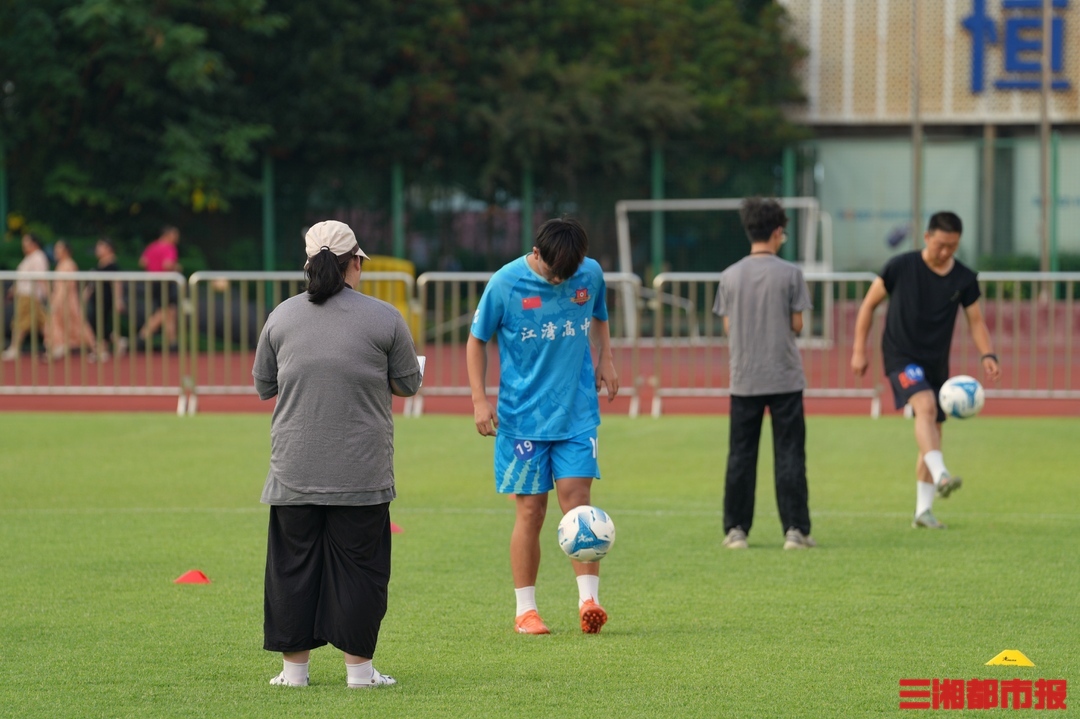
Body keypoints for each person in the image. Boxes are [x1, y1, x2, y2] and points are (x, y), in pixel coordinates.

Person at [252, 220, 421, 689]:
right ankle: (360, 673)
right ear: (356, 263)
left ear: (307, 263)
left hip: (293, 469)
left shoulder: (281, 316)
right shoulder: (384, 317)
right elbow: (408, 382)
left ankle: (294, 674)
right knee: (361, 571)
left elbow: (264, 385)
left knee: (292, 570)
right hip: (361, 470)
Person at [467, 217, 619, 635]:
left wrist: (605, 358)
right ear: (536, 255)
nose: (562, 281)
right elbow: (476, 340)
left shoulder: (589, 272)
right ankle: (526, 611)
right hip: (522, 420)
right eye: (555, 274)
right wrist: (480, 400)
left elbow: (600, 314)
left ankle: (589, 601)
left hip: (576, 412)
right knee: (531, 511)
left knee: (579, 503)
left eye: (568, 274)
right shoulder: (505, 283)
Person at [851, 211, 1001, 530]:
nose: (946, 252)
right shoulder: (899, 266)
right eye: (941, 245)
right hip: (900, 355)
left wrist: (987, 353)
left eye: (953, 246)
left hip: (935, 363)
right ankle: (943, 473)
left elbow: (976, 322)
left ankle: (923, 511)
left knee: (933, 429)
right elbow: (868, 305)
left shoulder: (964, 278)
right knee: (925, 406)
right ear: (927, 238)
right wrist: (859, 350)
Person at [713, 198, 816, 551]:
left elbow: (728, 326)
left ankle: (736, 529)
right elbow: (798, 323)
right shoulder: (790, 273)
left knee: (740, 455)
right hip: (784, 376)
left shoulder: (729, 274)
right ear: (776, 232)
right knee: (789, 453)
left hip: (744, 376)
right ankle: (795, 530)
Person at [44, 240, 108, 360]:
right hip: (60, 300)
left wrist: (58, 302)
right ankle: (57, 347)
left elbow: (66, 286)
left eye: (59, 249)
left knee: (78, 326)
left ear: (66, 251)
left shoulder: (68, 264)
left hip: (67, 301)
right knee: (56, 324)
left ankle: (97, 349)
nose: (56, 252)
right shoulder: (61, 264)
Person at [3, 233, 50, 360]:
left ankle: (14, 348)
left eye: (26, 242)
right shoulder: (30, 257)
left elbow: (41, 278)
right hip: (26, 294)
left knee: (20, 322)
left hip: (30, 295)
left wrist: (47, 294)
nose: (23, 245)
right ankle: (51, 346)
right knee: (43, 323)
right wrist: (13, 290)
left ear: (34, 243)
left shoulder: (38, 257)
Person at [138, 226, 181, 348]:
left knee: (170, 311)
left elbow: (143, 262)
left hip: (153, 281)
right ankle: (143, 335)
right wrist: (177, 268)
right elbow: (167, 264)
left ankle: (172, 341)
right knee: (166, 310)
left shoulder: (152, 246)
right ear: (168, 235)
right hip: (165, 282)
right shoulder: (169, 248)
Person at [85, 237, 127, 354]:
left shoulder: (112, 264)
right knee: (97, 322)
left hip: (105, 298)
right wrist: (86, 294)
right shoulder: (100, 264)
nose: (97, 249)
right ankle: (116, 342)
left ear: (108, 248)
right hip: (97, 298)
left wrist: (119, 300)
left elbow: (117, 283)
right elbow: (92, 283)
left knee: (98, 322)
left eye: (100, 247)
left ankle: (102, 348)